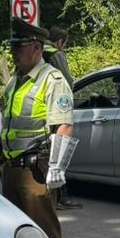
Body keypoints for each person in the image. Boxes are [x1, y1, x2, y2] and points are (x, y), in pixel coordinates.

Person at [0, 18, 77, 238]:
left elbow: (64, 125)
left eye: (19, 47)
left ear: (37, 48)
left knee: (44, 232)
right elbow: (8, 123)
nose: (14, 52)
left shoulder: (52, 80)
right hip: (11, 167)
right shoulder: (15, 81)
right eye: (12, 46)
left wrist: (57, 166)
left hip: (35, 171)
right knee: (16, 231)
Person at [44, 26, 81, 210]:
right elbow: (67, 81)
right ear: (60, 42)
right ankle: (59, 197)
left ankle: (53, 196)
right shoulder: (55, 54)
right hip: (55, 109)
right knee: (58, 154)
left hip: (38, 109)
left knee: (45, 154)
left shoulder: (36, 52)